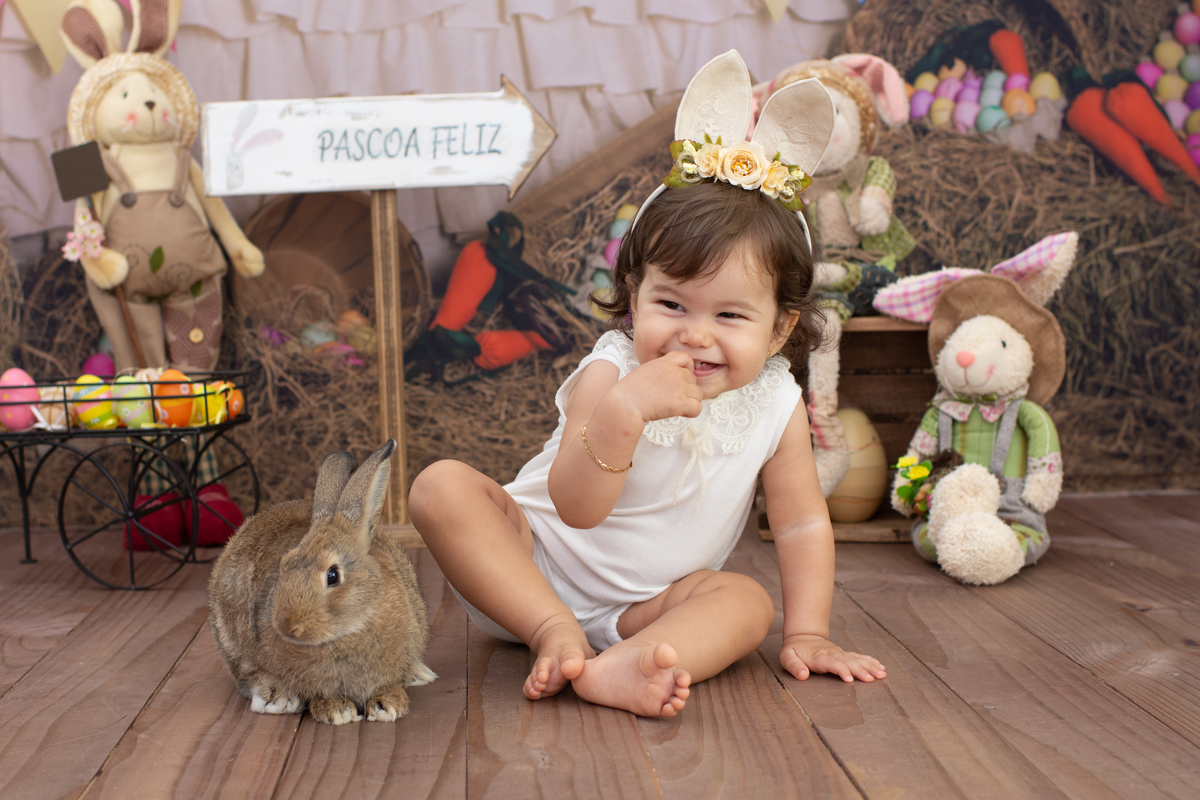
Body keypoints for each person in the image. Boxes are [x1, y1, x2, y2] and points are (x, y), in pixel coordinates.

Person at [410, 50, 886, 717]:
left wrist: (809, 633)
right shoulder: (613, 368)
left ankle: (623, 666)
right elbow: (575, 507)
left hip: (646, 606)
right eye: (672, 305)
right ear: (634, 297)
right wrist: (624, 411)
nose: (695, 334)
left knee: (746, 604)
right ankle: (554, 631)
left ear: (780, 330)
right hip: (529, 564)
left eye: (729, 315)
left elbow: (803, 521)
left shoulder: (775, 402)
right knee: (442, 486)